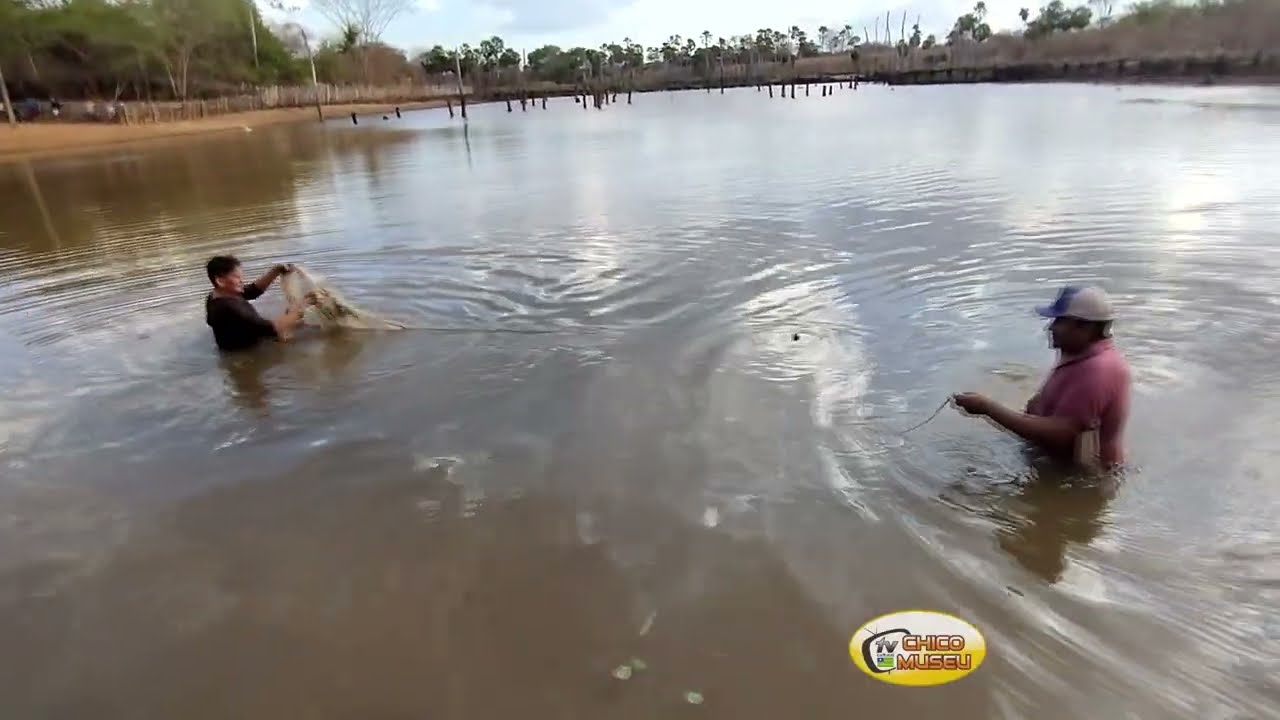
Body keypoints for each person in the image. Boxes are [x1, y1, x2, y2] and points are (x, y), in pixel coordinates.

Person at [953, 286, 1131, 468]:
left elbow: (1060, 435)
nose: (1051, 327)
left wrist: (986, 407)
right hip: (1055, 462)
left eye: (1060, 321)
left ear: (1084, 327)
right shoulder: (1080, 353)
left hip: (1081, 476)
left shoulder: (1098, 370)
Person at [205, 255, 313, 351]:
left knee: (300, 322)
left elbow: (252, 291)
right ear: (220, 281)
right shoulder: (230, 308)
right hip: (246, 354)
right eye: (237, 277)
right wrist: (305, 303)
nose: (241, 281)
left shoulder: (217, 295)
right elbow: (273, 328)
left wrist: (276, 270)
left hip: (243, 341)